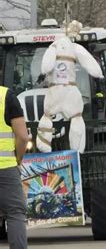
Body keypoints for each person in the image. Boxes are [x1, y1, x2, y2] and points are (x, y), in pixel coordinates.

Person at [0, 86, 29, 249]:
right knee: (15, 212)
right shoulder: (6, 96)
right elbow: (23, 137)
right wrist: (17, 159)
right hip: (5, 167)